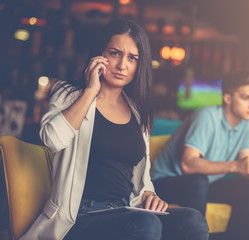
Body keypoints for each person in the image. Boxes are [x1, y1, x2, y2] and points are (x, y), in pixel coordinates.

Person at [20, 19, 208, 240]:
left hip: (126, 209)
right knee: (144, 223)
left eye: (132, 58)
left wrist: (149, 193)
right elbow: (52, 139)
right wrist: (91, 91)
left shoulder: (137, 110)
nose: (122, 65)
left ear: (140, 65)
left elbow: (141, 173)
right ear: (100, 55)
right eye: (115, 53)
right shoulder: (69, 93)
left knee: (193, 220)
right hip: (79, 215)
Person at [152, 70, 249, 240]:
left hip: (204, 184)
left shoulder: (248, 122)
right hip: (165, 182)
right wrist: (236, 165)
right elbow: (188, 164)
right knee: (199, 181)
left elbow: (246, 166)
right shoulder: (206, 116)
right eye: (246, 98)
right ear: (227, 98)